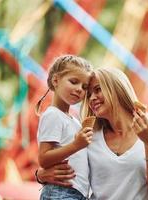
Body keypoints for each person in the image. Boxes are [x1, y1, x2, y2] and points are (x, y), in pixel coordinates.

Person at [36, 67, 148, 200]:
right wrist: (40, 175)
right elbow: (61, 163)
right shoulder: (88, 136)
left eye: (98, 90)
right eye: (89, 94)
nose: (92, 98)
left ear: (117, 89)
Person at [35, 54, 94, 200]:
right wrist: (76, 145)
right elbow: (44, 158)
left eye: (85, 86)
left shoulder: (74, 120)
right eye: (74, 82)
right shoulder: (53, 115)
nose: (80, 89)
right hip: (60, 192)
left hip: (76, 193)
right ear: (55, 80)